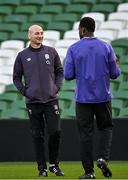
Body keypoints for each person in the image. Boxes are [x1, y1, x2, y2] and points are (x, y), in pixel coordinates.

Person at [64, 17, 120, 179]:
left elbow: (68, 75)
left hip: (83, 100)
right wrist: (116, 65)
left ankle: (89, 172)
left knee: (85, 135)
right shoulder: (106, 47)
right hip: (103, 97)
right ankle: (103, 158)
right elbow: (115, 74)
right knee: (106, 128)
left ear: (82, 29)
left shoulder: (74, 48)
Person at [13, 25, 64, 177]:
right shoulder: (22, 55)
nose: (40, 35)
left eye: (41, 33)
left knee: (55, 132)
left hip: (51, 100)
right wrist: (25, 92)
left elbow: (60, 72)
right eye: (37, 33)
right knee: (37, 135)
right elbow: (16, 78)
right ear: (30, 36)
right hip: (33, 102)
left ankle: (54, 165)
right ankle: (41, 168)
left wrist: (57, 88)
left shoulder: (51, 51)